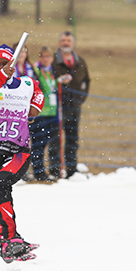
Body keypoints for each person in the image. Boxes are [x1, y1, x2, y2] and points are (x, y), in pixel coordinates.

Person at [0, 44, 44, 263]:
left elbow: (35, 107)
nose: (1, 67)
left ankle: (11, 238)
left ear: (14, 64)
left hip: (17, 151)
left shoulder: (29, 84)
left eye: (6, 64)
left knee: (1, 182)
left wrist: (16, 103)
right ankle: (2, 238)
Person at [52, 31, 90, 178]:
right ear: (59, 42)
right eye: (63, 40)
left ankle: (71, 169)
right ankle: (56, 170)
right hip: (58, 106)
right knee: (56, 138)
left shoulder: (80, 61)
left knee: (72, 139)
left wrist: (81, 98)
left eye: (68, 40)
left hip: (75, 106)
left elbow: (86, 81)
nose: (65, 43)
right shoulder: (53, 61)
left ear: (73, 43)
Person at [30, 46, 61, 181]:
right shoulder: (36, 71)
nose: (46, 59)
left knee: (49, 143)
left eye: (48, 56)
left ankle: (50, 170)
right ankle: (38, 172)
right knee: (38, 144)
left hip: (52, 112)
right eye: (43, 56)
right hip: (40, 113)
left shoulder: (53, 72)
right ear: (40, 57)